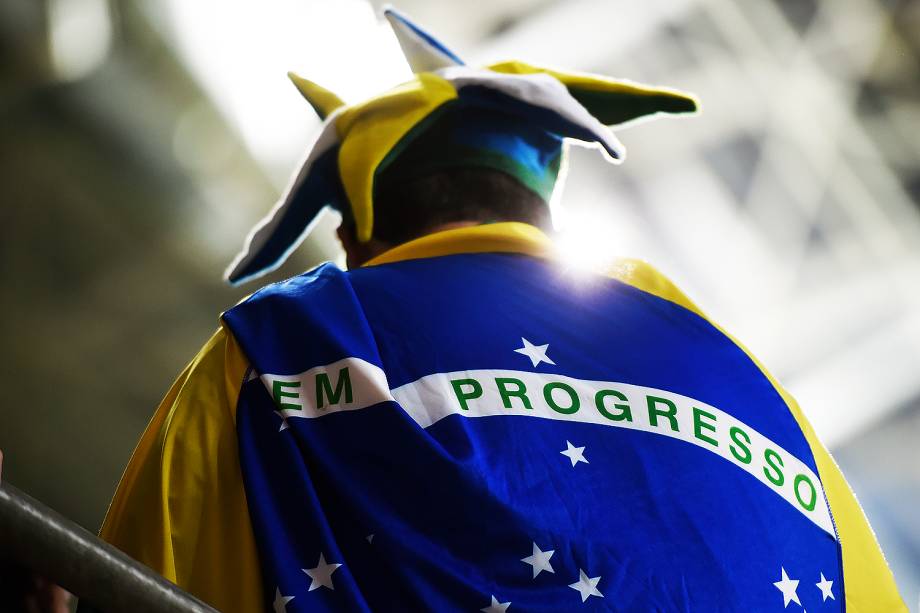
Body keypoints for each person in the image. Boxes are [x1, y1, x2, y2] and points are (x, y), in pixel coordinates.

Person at [95, 9, 906, 613]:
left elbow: (131, 574)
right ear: (540, 196)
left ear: (355, 228)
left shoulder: (284, 343)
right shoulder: (758, 390)